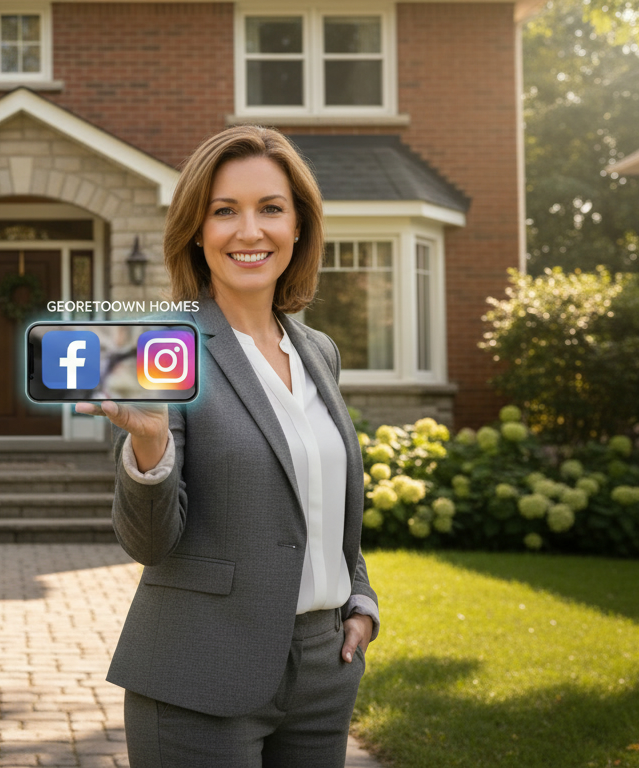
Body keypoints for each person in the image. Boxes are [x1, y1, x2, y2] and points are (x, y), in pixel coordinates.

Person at [75, 125, 380, 767]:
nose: (250, 231)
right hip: (199, 674)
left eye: (271, 208)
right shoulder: (163, 345)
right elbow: (149, 544)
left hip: (324, 674)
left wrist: (360, 600)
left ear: (298, 226)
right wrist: (153, 446)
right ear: (196, 230)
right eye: (224, 211)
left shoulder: (318, 349)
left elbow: (324, 503)